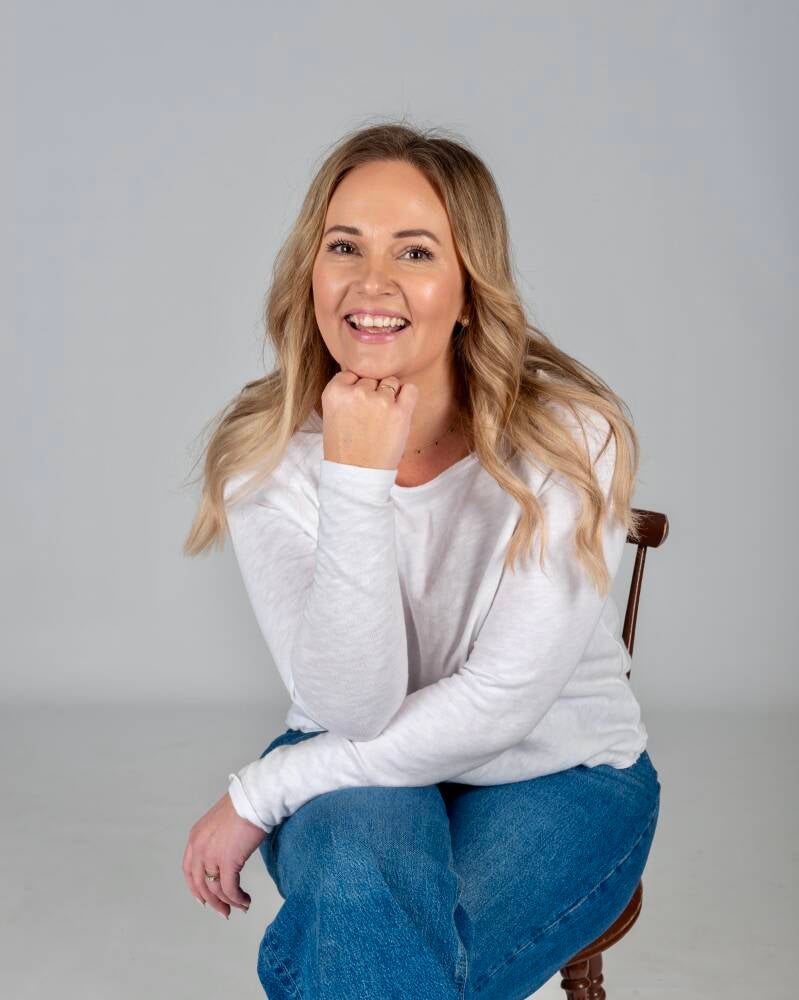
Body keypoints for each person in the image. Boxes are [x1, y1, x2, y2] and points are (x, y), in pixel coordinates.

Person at [181, 120, 661, 1000]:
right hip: (353, 749)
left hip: (561, 774)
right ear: (310, 273)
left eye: (414, 252)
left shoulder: (567, 439)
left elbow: (499, 704)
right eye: (344, 247)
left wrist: (265, 789)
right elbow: (353, 707)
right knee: (377, 925)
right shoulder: (266, 455)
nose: (372, 282)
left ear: (470, 289)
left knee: (370, 952)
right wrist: (355, 475)